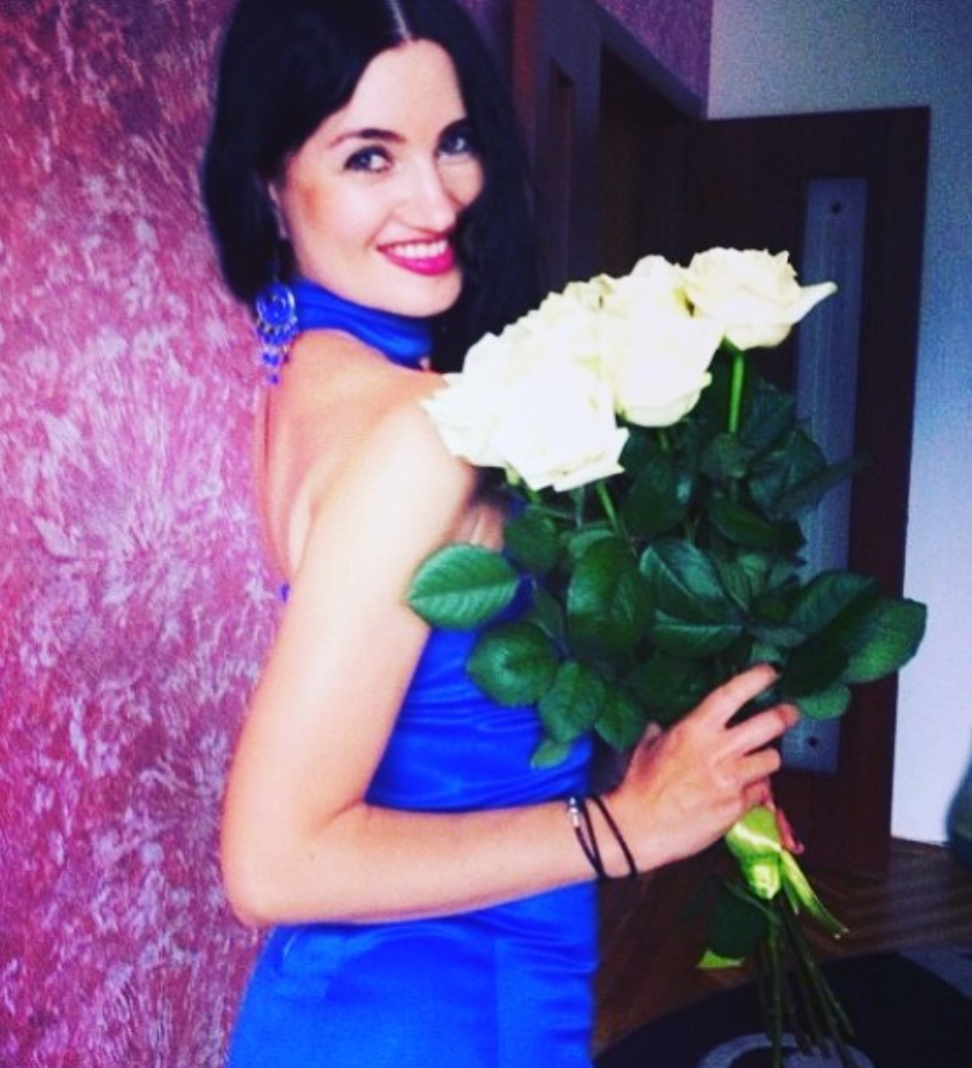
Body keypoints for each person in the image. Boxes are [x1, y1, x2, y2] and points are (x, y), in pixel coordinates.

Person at [201, 1, 799, 1065]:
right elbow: (271, 863)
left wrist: (657, 773)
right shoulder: (423, 432)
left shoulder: (309, 382)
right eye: (369, 155)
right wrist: (626, 828)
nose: (437, 199)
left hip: (368, 994)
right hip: (435, 1014)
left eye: (455, 140)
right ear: (268, 183)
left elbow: (443, 707)